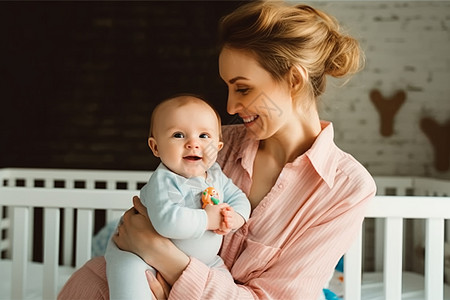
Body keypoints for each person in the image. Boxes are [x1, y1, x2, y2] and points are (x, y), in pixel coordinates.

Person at [58, 1, 377, 299]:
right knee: (92, 277)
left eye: (243, 88)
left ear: (293, 79)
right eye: (227, 87)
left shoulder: (345, 188)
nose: (230, 105)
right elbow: (138, 225)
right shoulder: (212, 144)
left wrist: (168, 263)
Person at [105, 95, 251, 299]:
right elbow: (167, 222)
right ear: (155, 147)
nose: (193, 143)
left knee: (223, 286)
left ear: (217, 147)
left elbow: (240, 198)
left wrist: (236, 217)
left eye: (204, 136)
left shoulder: (216, 175)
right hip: (139, 256)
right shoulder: (165, 181)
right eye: (178, 135)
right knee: (131, 280)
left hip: (207, 263)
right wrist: (208, 219)